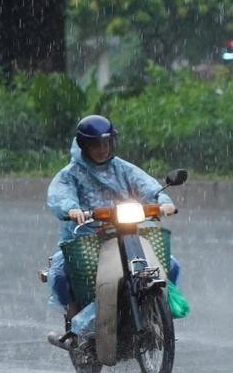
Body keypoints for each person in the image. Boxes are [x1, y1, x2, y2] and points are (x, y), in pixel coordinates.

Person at [45, 114, 180, 329]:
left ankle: (155, 313)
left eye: (107, 143)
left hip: (129, 232)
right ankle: (74, 320)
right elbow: (61, 195)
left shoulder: (122, 168)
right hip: (87, 238)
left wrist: (163, 201)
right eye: (96, 144)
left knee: (170, 265)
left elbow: (147, 187)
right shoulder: (70, 174)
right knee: (60, 273)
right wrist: (72, 209)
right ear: (83, 146)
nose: (103, 149)